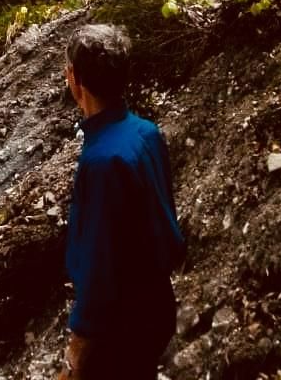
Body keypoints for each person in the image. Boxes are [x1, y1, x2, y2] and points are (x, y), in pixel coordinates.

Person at [58, 23, 185, 380]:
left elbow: (101, 266)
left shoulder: (102, 162)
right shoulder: (146, 132)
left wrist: (76, 350)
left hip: (120, 326)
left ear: (75, 79)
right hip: (157, 302)